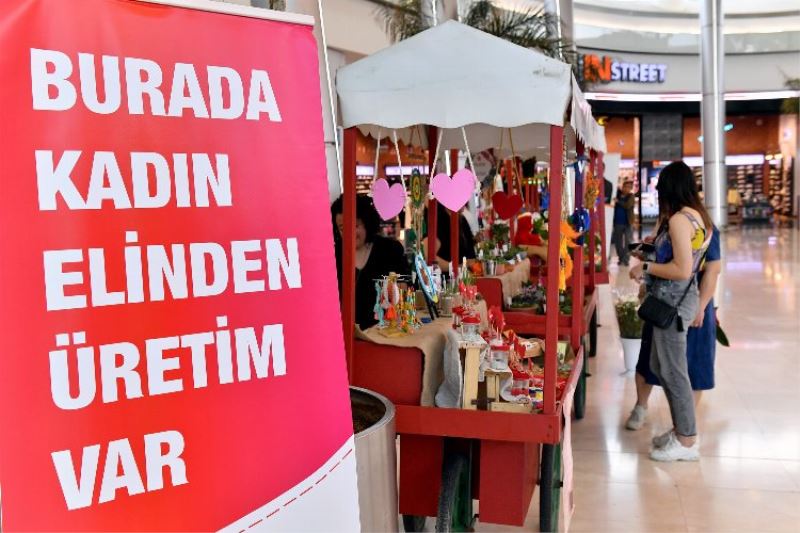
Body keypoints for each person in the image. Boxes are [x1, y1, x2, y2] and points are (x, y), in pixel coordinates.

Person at [629, 161, 712, 462]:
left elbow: (681, 269)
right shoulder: (698, 217)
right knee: (660, 365)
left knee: (674, 372)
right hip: (678, 299)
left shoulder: (679, 220)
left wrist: (646, 267)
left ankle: (687, 440)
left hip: (672, 303)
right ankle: (681, 431)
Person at [625, 224, 722, 440]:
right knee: (649, 359)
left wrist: (701, 307)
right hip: (662, 302)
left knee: (694, 366)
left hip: (691, 304)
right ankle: (641, 406)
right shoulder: (669, 225)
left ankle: (684, 425)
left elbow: (712, 270)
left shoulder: (706, 230)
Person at [331, 195, 409, 329]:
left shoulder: (390, 250)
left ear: (367, 223)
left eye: (355, 226)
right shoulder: (332, 255)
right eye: (343, 228)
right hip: (344, 332)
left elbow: (405, 289)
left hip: (385, 331)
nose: (349, 233)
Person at [426, 202, 477, 272]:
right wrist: (457, 267)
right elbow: (430, 257)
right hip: (446, 276)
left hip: (466, 274)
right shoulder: (439, 220)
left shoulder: (462, 220)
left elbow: (470, 253)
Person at [612, 180, 635, 266]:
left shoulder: (631, 196)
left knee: (628, 241)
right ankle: (621, 258)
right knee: (618, 242)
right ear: (623, 187)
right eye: (626, 187)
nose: (627, 189)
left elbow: (627, 205)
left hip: (628, 222)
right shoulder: (617, 195)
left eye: (629, 187)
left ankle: (626, 259)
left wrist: (618, 201)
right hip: (617, 222)